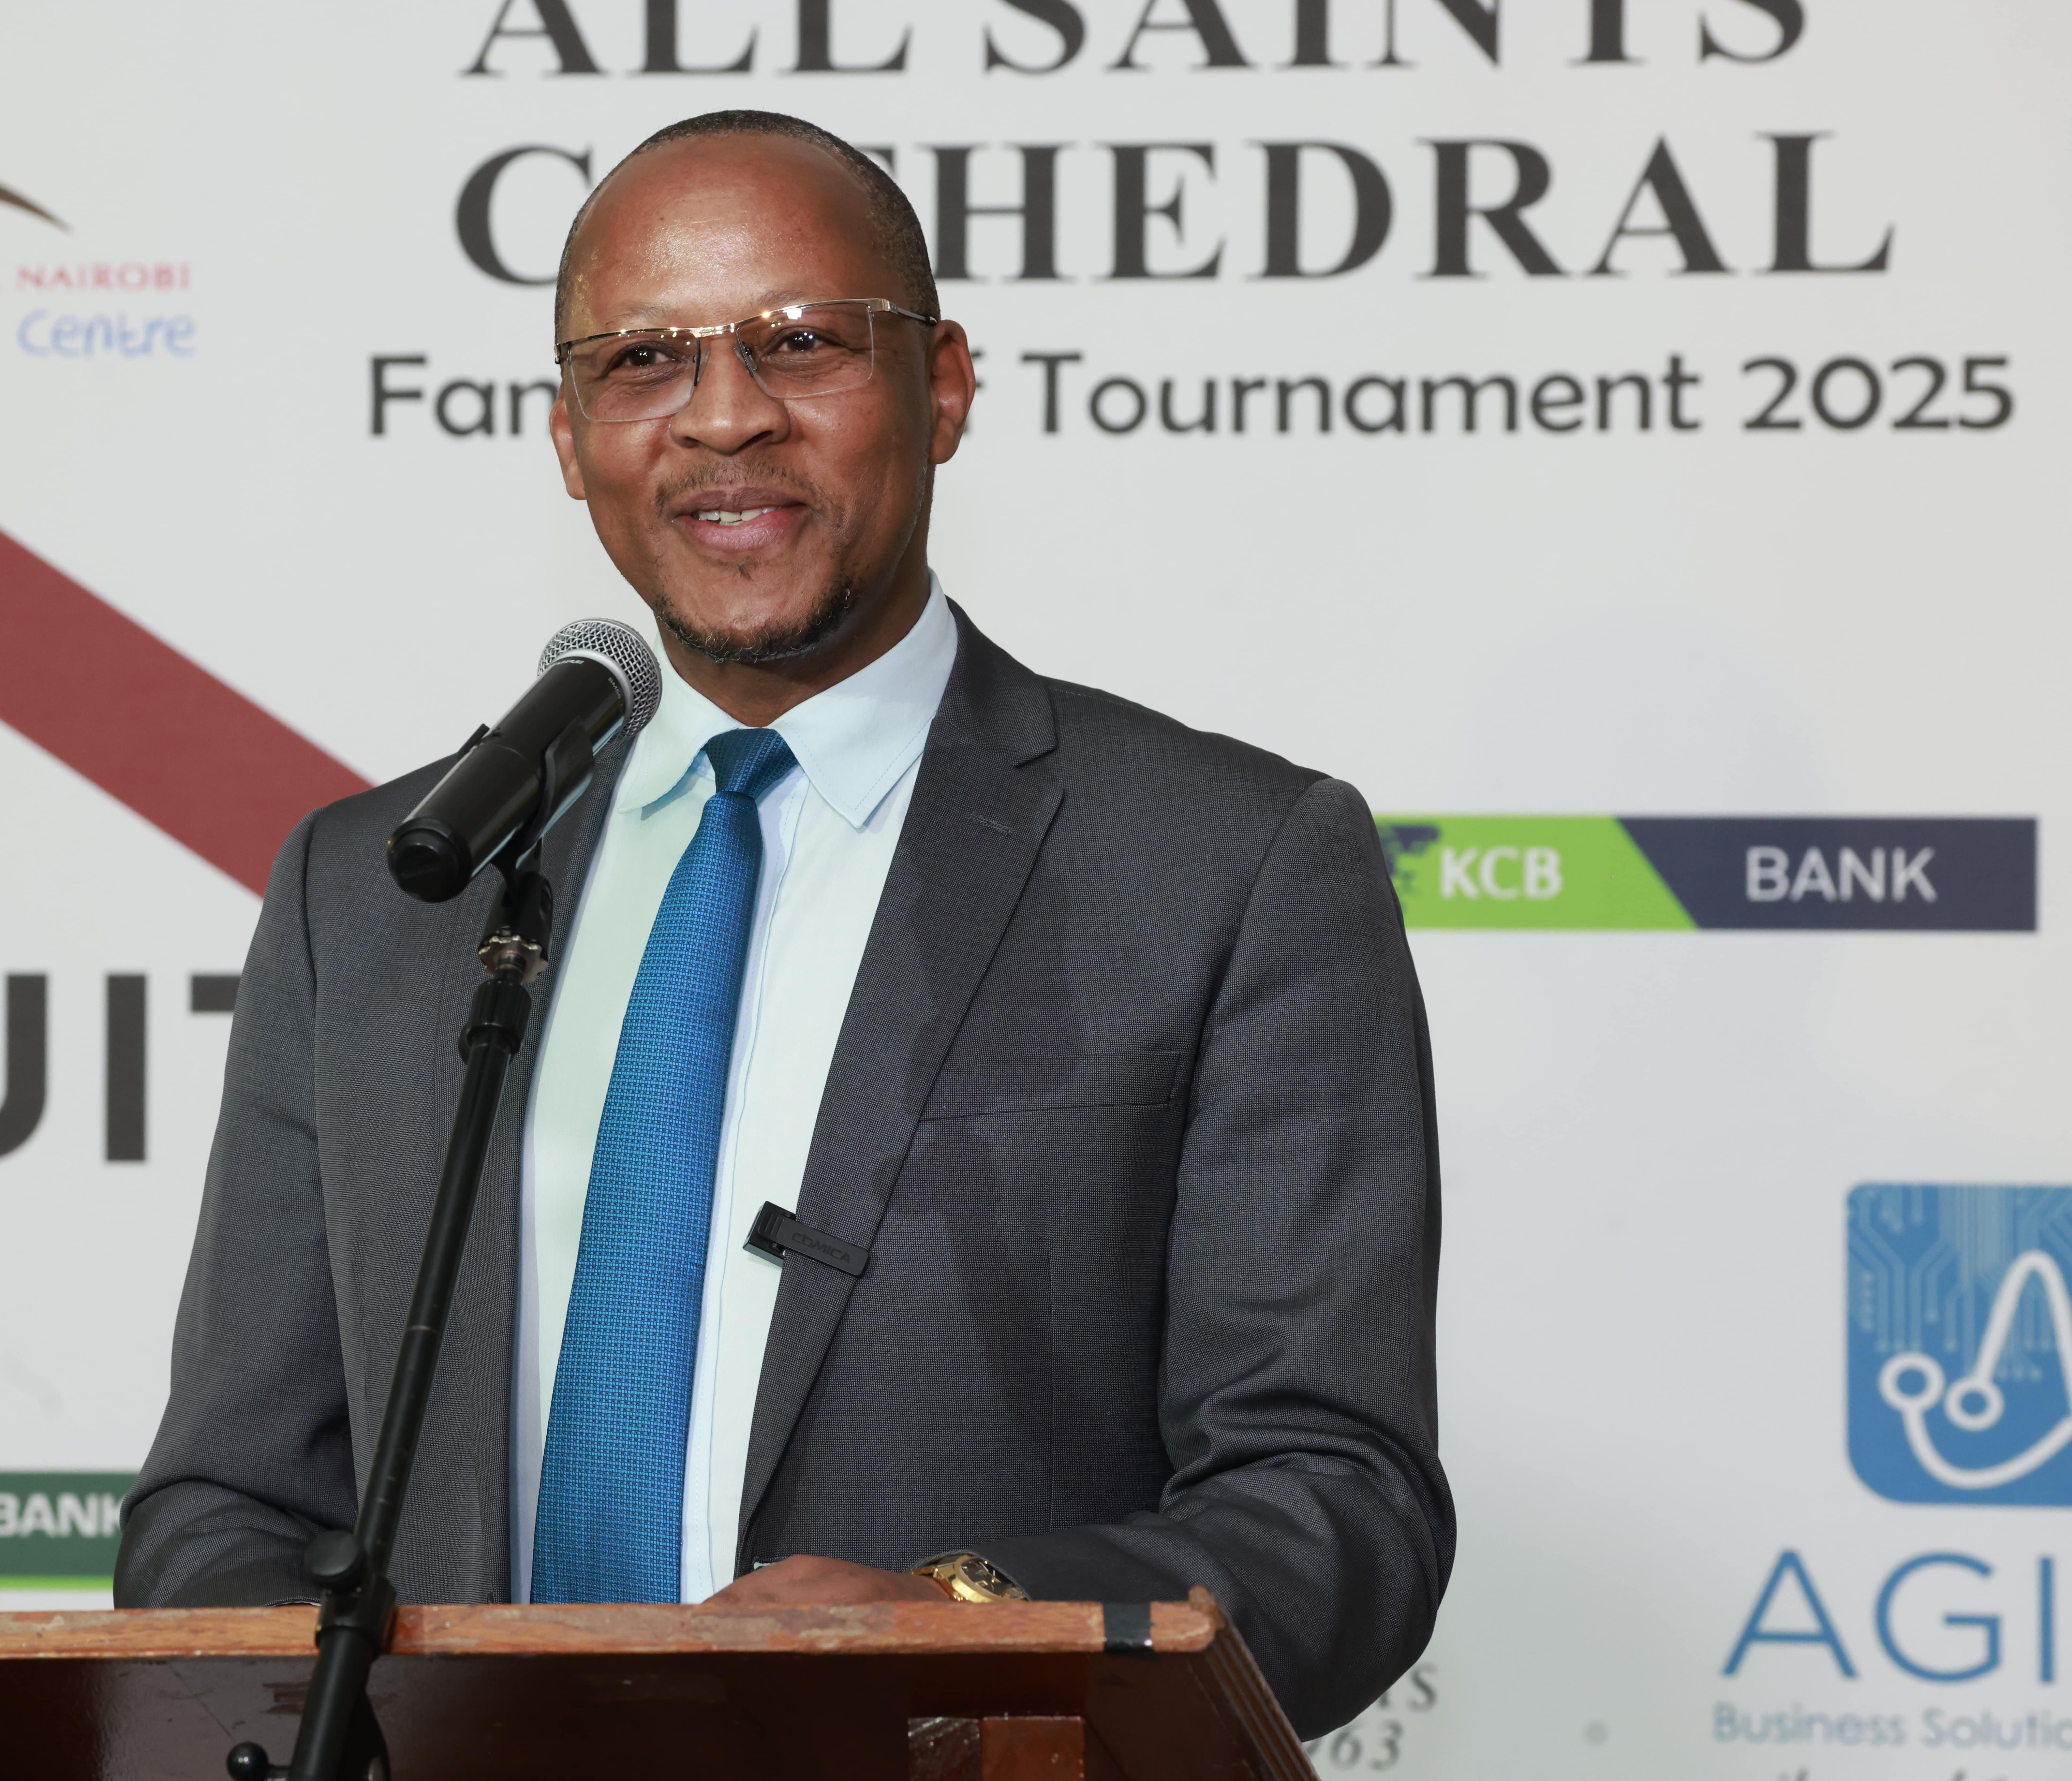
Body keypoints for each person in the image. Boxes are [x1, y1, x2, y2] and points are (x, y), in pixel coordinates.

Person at [118, 108, 1450, 1736]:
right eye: (643, 361)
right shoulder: (384, 886)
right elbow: (217, 1512)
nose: (723, 417)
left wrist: (965, 1622)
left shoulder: (1220, 868)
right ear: (567, 438)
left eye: (802, 343)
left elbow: (1334, 1511)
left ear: (943, 388)